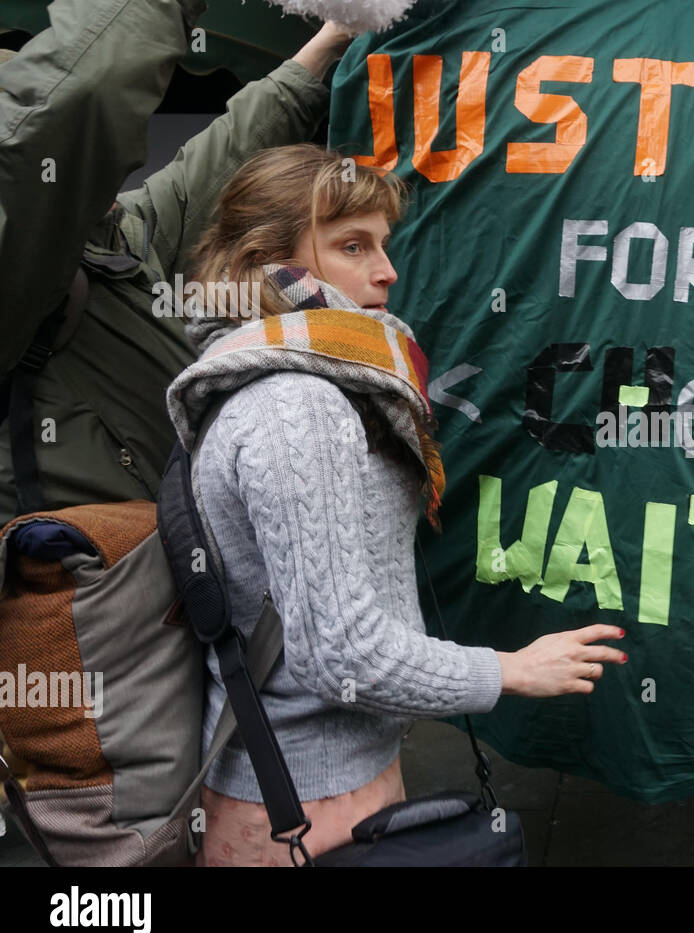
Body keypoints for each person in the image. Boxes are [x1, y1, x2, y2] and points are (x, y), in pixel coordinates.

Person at [165, 144, 627, 865]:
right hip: (298, 808)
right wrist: (509, 670)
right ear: (267, 260)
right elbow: (338, 652)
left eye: (383, 243)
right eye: (353, 246)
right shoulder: (297, 404)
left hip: (328, 785)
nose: (387, 270)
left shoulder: (307, 376)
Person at [0, 0, 355, 526]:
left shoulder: (108, 237)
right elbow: (84, 97)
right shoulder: (17, 260)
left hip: (162, 578)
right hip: (91, 590)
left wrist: (331, 40)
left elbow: (215, 165)